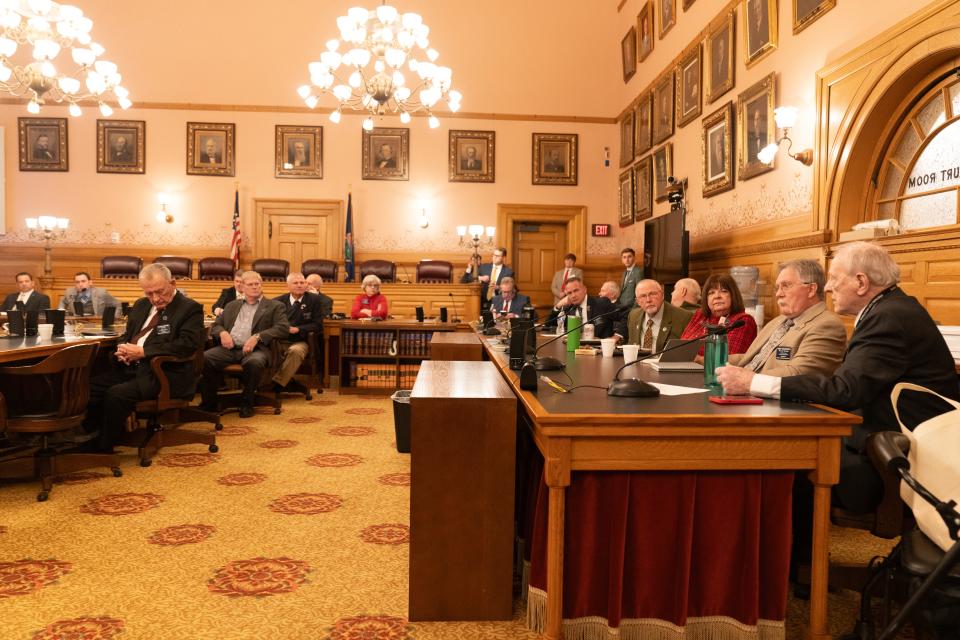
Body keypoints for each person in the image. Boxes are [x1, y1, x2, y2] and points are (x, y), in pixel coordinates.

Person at [717, 242, 960, 514]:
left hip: (903, 456)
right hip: (894, 439)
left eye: (833, 278)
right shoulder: (890, 309)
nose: (828, 287)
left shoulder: (888, 318)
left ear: (861, 282)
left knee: (781, 459)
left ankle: (795, 555)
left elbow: (844, 390)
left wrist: (753, 383)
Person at [82, 264, 205, 452]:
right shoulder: (141, 305)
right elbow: (127, 335)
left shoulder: (190, 308)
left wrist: (143, 352)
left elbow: (187, 344)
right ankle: (91, 437)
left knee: (117, 394)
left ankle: (103, 448)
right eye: (149, 293)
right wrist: (122, 349)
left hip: (164, 374)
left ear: (172, 283)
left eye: (160, 292)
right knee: (88, 388)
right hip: (132, 368)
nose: (155, 299)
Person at [726, 260, 846, 377]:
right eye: (777, 288)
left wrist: (744, 379)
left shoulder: (828, 325)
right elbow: (750, 358)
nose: (778, 294)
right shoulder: (778, 320)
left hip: (765, 393)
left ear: (811, 290)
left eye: (786, 286)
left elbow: (798, 373)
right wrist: (711, 360)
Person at [200, 271, 290, 418]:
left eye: (257, 284)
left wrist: (258, 337)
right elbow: (216, 325)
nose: (255, 287)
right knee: (204, 358)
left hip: (257, 350)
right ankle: (209, 403)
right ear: (242, 286)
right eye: (250, 284)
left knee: (253, 363)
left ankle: (247, 402)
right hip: (230, 348)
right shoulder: (231, 306)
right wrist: (223, 333)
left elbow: (282, 328)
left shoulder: (274, 306)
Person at [679, 273, 758, 359]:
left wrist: (693, 356)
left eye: (723, 291)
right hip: (685, 367)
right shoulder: (700, 315)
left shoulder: (743, 321)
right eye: (711, 293)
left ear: (733, 295)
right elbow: (681, 345)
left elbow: (726, 358)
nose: (717, 296)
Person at [271, 272, 323, 395]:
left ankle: (277, 384)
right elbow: (270, 323)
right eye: (295, 283)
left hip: (301, 341)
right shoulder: (277, 301)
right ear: (288, 286)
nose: (300, 285)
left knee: (295, 351)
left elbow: (317, 325)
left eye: (302, 282)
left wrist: (299, 329)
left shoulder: (314, 300)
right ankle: (262, 383)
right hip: (279, 340)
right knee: (263, 351)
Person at [617, 279, 693, 350]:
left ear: (662, 295)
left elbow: (688, 351)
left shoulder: (683, 317)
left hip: (666, 363)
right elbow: (632, 345)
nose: (648, 300)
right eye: (643, 296)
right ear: (638, 302)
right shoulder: (633, 316)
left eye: (653, 294)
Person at [546, 277, 617, 338]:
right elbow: (549, 324)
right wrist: (558, 305)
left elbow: (624, 315)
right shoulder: (568, 308)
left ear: (584, 289)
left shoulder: (601, 303)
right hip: (575, 347)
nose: (573, 295)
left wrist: (617, 336)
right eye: (569, 293)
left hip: (599, 348)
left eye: (576, 290)